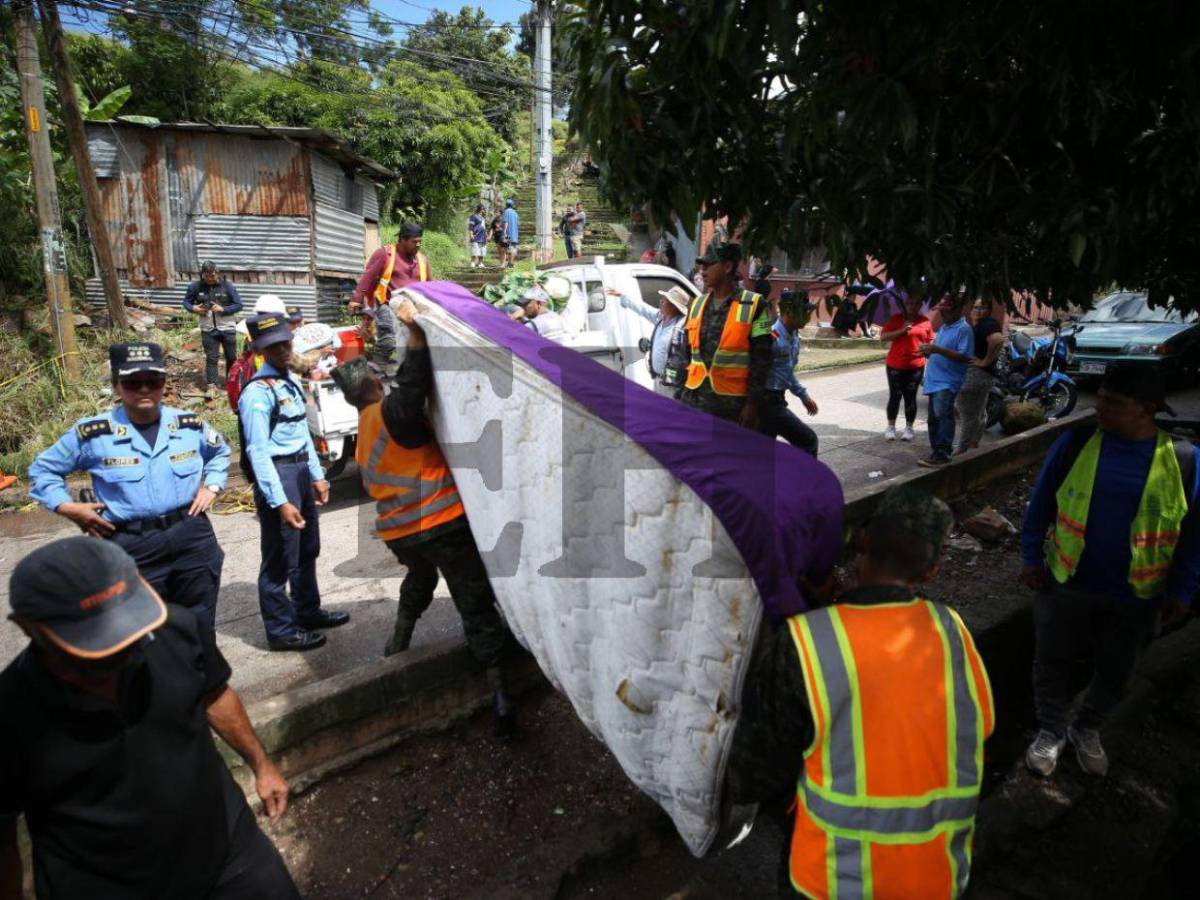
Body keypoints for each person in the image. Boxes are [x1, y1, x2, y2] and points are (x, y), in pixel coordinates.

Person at [726, 485, 994, 898]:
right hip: (938, 879)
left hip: (832, 882)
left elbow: (750, 777)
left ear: (860, 543)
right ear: (931, 572)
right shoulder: (952, 631)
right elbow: (977, 730)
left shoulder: (804, 642)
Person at [0, 537, 300, 899]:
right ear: (28, 627)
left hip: (225, 848)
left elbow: (215, 694)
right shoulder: (10, 712)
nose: (124, 654)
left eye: (131, 635)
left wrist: (262, 765)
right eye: (96, 650)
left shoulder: (175, 630)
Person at [332, 306, 517, 733]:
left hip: (401, 535)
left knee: (420, 578)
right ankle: (501, 693)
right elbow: (414, 382)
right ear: (374, 383)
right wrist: (416, 331)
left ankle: (398, 643)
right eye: (377, 376)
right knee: (472, 598)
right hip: (440, 523)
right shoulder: (391, 414)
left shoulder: (365, 432)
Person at [1019, 365, 1198, 778]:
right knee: (1052, 661)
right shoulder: (1074, 444)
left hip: (1137, 597)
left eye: (1113, 403)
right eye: (1099, 397)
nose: (1098, 407)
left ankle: (1087, 727)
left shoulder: (1184, 461)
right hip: (1066, 584)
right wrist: (1030, 558)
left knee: (1118, 669)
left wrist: (1183, 590)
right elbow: (1041, 505)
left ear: (1147, 409)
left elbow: (1193, 534)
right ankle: (1051, 730)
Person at [29, 342, 230, 632]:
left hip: (191, 535)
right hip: (132, 544)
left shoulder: (189, 425)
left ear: (164, 383)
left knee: (199, 625)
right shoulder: (94, 434)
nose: (144, 389)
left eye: (153, 381)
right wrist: (66, 506)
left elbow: (220, 452)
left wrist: (212, 485)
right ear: (116, 386)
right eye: (133, 382)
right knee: (144, 633)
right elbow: (43, 469)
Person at [239, 314, 349, 651]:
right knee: (280, 557)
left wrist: (317, 475)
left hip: (300, 470)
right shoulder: (257, 394)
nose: (283, 349)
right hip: (279, 475)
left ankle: (307, 611)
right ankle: (281, 631)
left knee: (306, 549)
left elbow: (302, 433)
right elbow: (258, 452)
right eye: (273, 346)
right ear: (260, 350)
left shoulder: (288, 381)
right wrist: (280, 501)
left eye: (285, 342)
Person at [678, 243, 773, 427]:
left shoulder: (755, 304)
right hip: (694, 401)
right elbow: (686, 354)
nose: (702, 271)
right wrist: (680, 393)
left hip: (731, 407)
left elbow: (762, 360)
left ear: (727, 267)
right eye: (701, 266)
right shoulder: (696, 304)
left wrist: (752, 404)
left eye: (708, 265)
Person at [350, 222, 431, 368]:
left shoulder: (422, 260)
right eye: (415, 242)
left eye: (420, 242)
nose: (418, 246)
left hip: (412, 307)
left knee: (414, 342)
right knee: (388, 338)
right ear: (402, 239)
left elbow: (431, 285)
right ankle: (376, 368)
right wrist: (356, 299)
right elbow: (368, 276)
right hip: (387, 303)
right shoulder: (385, 254)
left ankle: (406, 371)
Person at [917, 294, 974, 467]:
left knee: (943, 416)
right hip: (934, 380)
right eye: (941, 311)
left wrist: (936, 350)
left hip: (947, 381)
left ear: (957, 310)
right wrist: (929, 351)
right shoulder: (945, 327)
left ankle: (943, 454)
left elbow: (965, 356)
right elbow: (941, 351)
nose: (942, 314)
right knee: (933, 419)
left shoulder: (963, 329)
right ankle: (936, 452)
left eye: (946, 311)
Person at [760, 291, 820, 456]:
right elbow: (755, 372)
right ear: (788, 312)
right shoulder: (771, 337)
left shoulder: (794, 336)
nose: (807, 316)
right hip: (766, 401)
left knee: (765, 453)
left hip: (777, 398)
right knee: (808, 440)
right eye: (803, 311)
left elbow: (787, 372)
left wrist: (803, 396)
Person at [609, 285, 690, 397]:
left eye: (665, 301)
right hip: (658, 380)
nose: (661, 302)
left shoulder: (683, 326)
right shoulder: (660, 318)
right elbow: (643, 309)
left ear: (673, 307)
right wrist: (622, 296)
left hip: (673, 385)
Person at [879, 291, 935, 442]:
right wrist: (902, 330)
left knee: (910, 397)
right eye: (910, 303)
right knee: (895, 396)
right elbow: (883, 337)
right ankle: (891, 427)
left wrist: (928, 348)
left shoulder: (925, 321)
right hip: (895, 365)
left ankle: (909, 428)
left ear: (920, 306)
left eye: (917, 304)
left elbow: (930, 340)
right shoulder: (896, 319)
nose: (913, 306)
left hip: (916, 366)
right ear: (905, 304)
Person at [183, 261, 244, 395]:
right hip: (208, 328)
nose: (210, 278)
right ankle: (212, 386)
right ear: (203, 275)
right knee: (211, 358)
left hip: (227, 328)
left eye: (213, 275)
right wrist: (194, 308)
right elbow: (186, 302)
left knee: (231, 357)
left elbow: (239, 305)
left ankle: (232, 383)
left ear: (217, 273)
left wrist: (223, 309)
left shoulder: (227, 286)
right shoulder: (195, 287)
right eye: (207, 276)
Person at [467, 204, 488, 268]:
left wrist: (486, 235)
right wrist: (471, 234)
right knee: (474, 249)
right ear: (480, 209)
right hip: (476, 235)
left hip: (483, 236)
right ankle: (473, 262)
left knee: (482, 250)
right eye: (483, 209)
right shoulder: (473, 216)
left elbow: (484, 227)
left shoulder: (483, 218)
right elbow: (470, 226)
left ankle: (480, 263)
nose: (484, 210)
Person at [501, 199, 520, 267]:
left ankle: (509, 263)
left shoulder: (506, 212)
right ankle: (511, 263)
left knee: (507, 249)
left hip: (509, 234)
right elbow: (518, 224)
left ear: (506, 205)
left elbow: (506, 222)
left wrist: (504, 232)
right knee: (514, 249)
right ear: (512, 205)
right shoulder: (515, 213)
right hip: (515, 234)